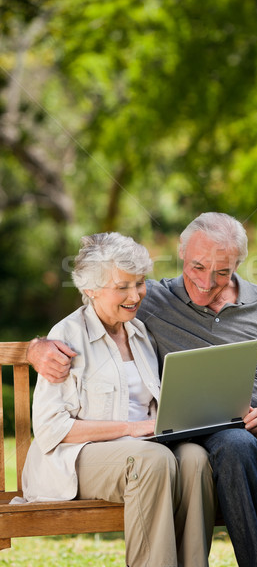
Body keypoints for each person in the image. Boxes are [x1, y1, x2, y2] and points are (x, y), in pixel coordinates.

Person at [27, 213, 257, 567]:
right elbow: (95, 310)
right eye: (197, 267)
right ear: (182, 256)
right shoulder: (151, 301)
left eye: (222, 271)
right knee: (237, 446)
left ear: (238, 264)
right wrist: (37, 348)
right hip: (218, 440)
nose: (206, 282)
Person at [22, 232, 216, 567]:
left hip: (145, 449)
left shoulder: (140, 335)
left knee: (196, 458)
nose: (135, 294)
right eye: (122, 286)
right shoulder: (66, 337)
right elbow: (51, 429)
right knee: (151, 460)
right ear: (90, 289)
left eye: (140, 282)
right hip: (77, 460)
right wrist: (133, 427)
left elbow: (154, 411)